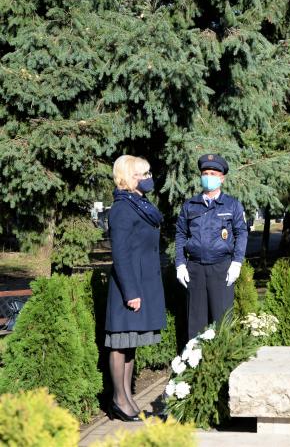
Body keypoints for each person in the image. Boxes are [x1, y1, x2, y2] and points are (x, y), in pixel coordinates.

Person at [106, 155, 166, 421]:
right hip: (127, 288)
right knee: (120, 343)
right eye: (141, 174)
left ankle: (127, 397)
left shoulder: (140, 204)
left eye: (148, 172)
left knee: (130, 344)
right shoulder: (122, 208)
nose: (147, 178)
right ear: (127, 178)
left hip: (141, 283)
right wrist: (131, 292)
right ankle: (118, 400)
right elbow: (120, 254)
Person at [175, 154, 248, 339]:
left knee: (222, 321)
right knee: (196, 323)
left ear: (222, 178)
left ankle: (223, 365)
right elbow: (181, 234)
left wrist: (237, 263)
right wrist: (180, 264)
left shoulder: (232, 205)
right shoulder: (190, 205)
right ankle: (196, 365)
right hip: (195, 269)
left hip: (221, 268)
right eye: (205, 173)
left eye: (214, 173)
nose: (209, 177)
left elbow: (241, 234)